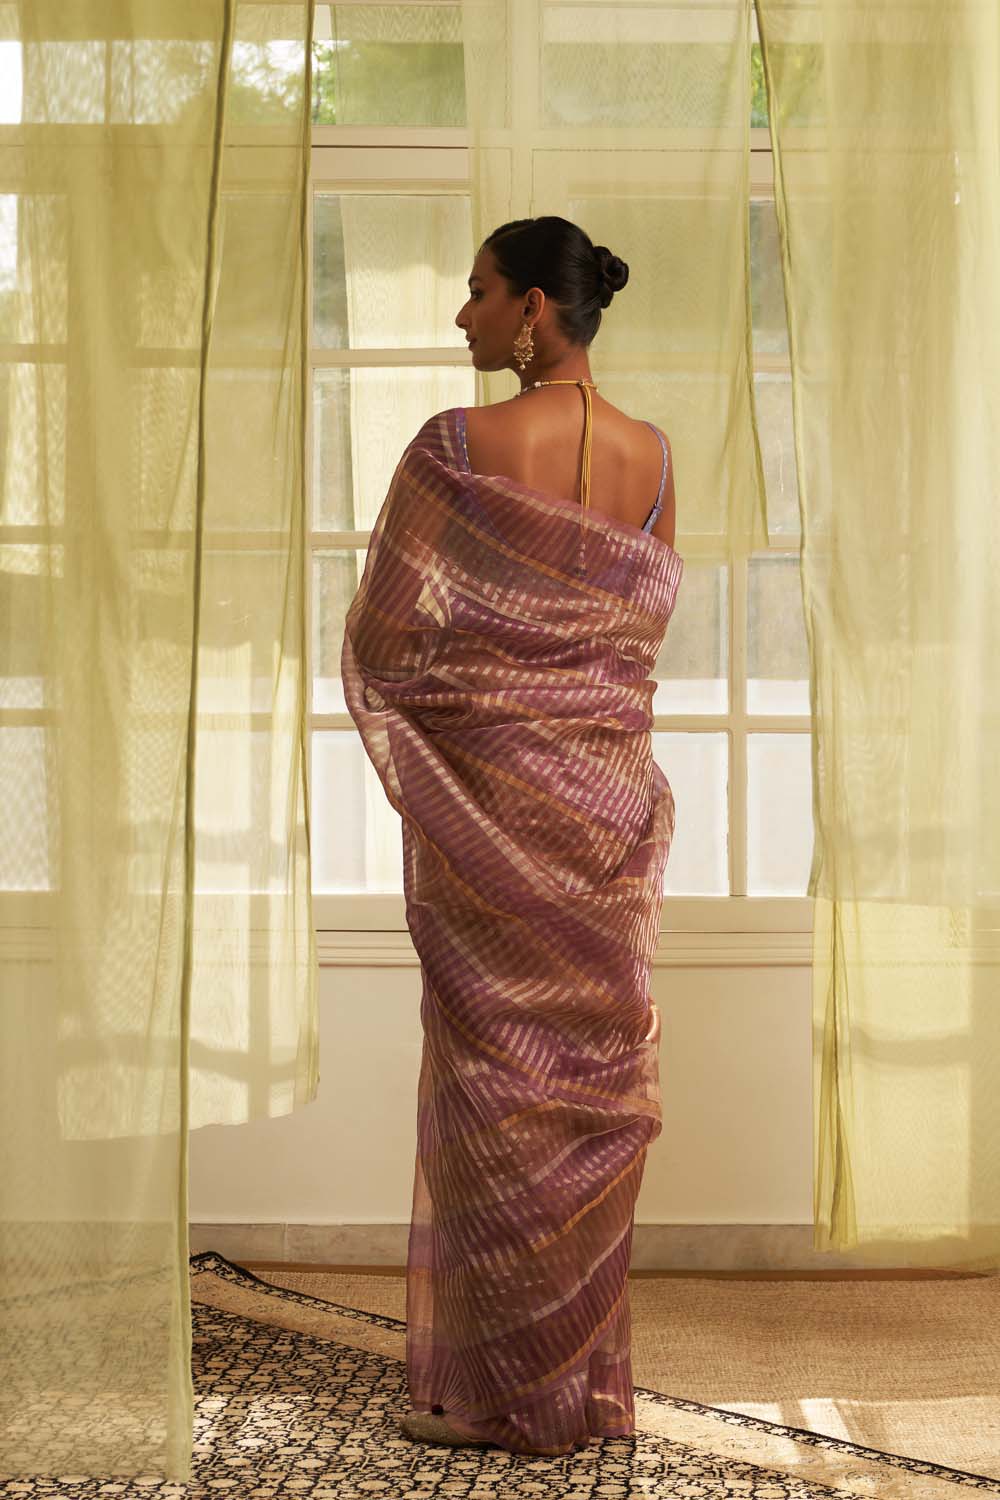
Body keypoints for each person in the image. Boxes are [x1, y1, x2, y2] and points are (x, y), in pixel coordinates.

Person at [341, 215, 684, 1458]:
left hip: (490, 817)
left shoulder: (456, 449)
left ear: (534, 306)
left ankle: (498, 1395)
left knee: (496, 1092)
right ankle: (574, 1388)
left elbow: (383, 647)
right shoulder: (652, 458)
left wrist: (482, 694)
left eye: (478, 291)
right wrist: (558, 705)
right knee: (587, 1095)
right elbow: (632, 648)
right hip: (606, 821)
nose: (462, 314)